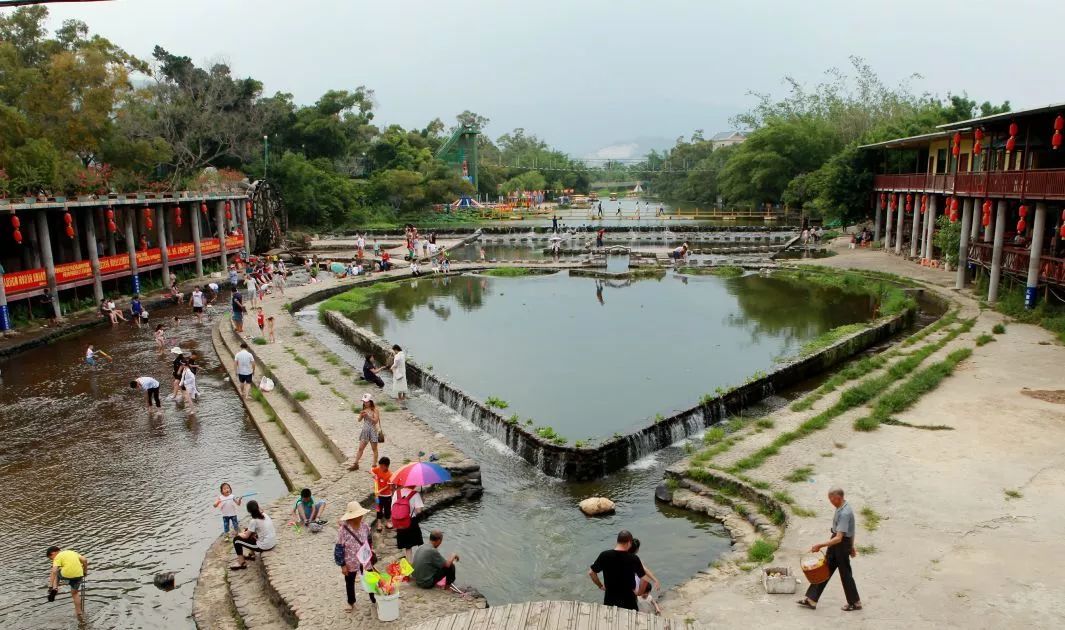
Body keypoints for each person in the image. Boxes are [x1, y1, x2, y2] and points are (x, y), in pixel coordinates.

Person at [797, 487, 862, 612]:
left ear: (838, 498)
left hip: (840, 545)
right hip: (839, 543)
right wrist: (852, 546)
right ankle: (811, 599)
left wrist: (820, 545)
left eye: (831, 499)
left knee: (845, 574)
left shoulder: (845, 513)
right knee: (824, 569)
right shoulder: (841, 507)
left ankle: (855, 602)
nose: (830, 502)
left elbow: (839, 538)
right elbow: (851, 530)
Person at [588, 530, 647, 610]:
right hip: (629, 599)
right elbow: (644, 579)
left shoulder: (605, 555)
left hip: (610, 599)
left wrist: (600, 585)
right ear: (629, 542)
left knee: (610, 620)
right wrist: (639, 593)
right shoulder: (633, 558)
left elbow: (591, 573)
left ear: (617, 541)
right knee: (630, 621)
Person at [336, 501, 375, 612]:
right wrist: (342, 565)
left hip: (365, 559)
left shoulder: (365, 526)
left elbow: (369, 539)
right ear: (352, 517)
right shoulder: (343, 530)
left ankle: (374, 598)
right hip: (350, 561)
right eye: (358, 515)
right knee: (350, 581)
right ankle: (351, 602)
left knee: (371, 579)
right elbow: (339, 548)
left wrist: (371, 550)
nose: (361, 516)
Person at [230, 500, 276, 570]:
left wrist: (237, 534)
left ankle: (241, 563)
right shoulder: (265, 515)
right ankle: (251, 555)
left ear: (249, 511)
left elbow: (246, 536)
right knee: (248, 530)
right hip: (272, 542)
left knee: (236, 540)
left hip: (265, 546)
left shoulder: (254, 521)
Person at [47, 546, 87, 622]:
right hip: (79, 575)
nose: (52, 560)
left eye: (51, 558)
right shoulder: (73, 553)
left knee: (55, 570)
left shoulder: (58, 556)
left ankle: (55, 588)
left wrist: (50, 585)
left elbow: (54, 571)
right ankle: (79, 613)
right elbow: (84, 560)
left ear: (53, 553)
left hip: (66, 575)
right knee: (75, 593)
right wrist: (85, 571)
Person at [392, 485, 425, 562]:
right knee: (419, 544)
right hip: (411, 522)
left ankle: (409, 565)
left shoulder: (397, 493)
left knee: (407, 547)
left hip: (399, 522)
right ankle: (421, 562)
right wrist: (422, 502)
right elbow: (418, 511)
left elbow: (392, 508)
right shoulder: (415, 494)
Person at [349, 394, 381, 470]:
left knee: (374, 449)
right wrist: (361, 415)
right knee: (360, 448)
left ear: (370, 401)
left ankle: (374, 465)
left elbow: (375, 421)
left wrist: (368, 416)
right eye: (364, 402)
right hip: (365, 431)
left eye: (366, 402)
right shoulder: (364, 410)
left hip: (373, 431)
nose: (365, 403)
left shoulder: (375, 410)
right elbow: (359, 420)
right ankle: (356, 464)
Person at [631, 539, 662, 615]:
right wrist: (655, 580)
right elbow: (644, 570)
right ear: (637, 549)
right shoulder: (635, 559)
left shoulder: (622, 556)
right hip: (633, 586)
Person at [371, 457, 394, 532]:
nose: (380, 467)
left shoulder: (390, 474)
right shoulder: (378, 469)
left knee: (387, 510)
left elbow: (388, 486)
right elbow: (371, 470)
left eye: (381, 466)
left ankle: (388, 522)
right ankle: (379, 523)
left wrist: (380, 490)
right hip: (378, 496)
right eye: (379, 466)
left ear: (386, 466)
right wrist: (373, 475)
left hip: (387, 496)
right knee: (378, 509)